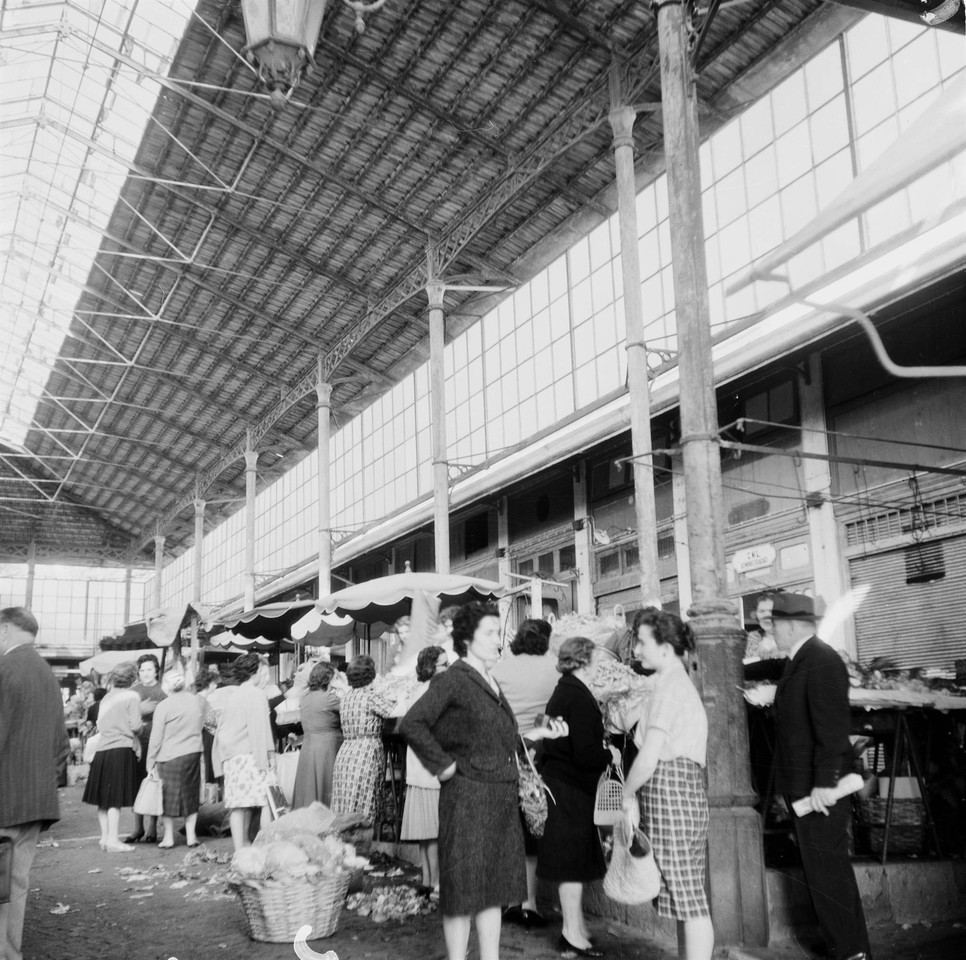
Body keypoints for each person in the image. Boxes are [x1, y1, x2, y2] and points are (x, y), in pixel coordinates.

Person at [399, 602, 567, 960]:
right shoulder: (453, 679)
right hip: (468, 799)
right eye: (489, 633)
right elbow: (412, 723)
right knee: (463, 894)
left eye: (498, 633)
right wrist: (443, 766)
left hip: (501, 799)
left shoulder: (491, 680)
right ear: (466, 638)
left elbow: (500, 737)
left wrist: (538, 733)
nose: (498, 640)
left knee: (493, 890)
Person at [745, 593, 871, 960]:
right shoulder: (802, 658)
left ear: (791, 625)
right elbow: (769, 671)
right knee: (822, 871)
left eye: (775, 625)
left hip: (821, 789)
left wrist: (825, 783)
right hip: (807, 787)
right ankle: (844, 944)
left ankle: (851, 952)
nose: (772, 631)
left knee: (829, 873)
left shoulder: (820, 661)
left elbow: (832, 731)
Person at [621, 608, 713, 960]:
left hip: (672, 792)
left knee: (688, 896)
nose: (636, 651)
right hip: (674, 793)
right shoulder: (668, 682)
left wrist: (626, 795)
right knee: (680, 893)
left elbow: (650, 757)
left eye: (642, 642)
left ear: (665, 645)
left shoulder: (671, 686)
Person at [537, 635, 620, 958]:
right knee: (572, 866)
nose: (599, 666)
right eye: (596, 660)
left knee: (570, 865)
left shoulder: (563, 690)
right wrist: (610, 754)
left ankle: (575, 928)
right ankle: (572, 934)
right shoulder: (578, 697)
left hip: (560, 786)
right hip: (570, 789)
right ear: (584, 661)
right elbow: (585, 755)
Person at [0, 608, 70, 960]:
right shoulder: (47, 674)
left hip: (4, 798)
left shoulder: (3, 670)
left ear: (5, 630)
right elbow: (62, 745)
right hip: (36, 800)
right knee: (15, 884)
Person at [491, 618, 559, 928]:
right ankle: (529, 903)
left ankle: (507, 901)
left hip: (503, 752)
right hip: (538, 754)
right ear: (546, 640)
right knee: (533, 826)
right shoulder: (554, 667)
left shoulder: (500, 667)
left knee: (508, 826)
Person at [212, 653, 276, 852]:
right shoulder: (257, 694)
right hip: (251, 755)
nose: (264, 676)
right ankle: (266, 847)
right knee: (268, 800)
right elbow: (260, 729)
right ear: (255, 671)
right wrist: (268, 757)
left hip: (232, 757)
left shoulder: (234, 694)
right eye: (262, 672)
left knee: (238, 806)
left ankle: (241, 849)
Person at [398, 644, 447, 893]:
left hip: (417, 769)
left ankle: (427, 880)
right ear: (431, 667)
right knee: (435, 831)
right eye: (444, 665)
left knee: (424, 831)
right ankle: (436, 883)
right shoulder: (435, 693)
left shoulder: (415, 690)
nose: (448, 669)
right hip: (433, 769)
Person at [81, 661, 143, 853]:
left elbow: (100, 723)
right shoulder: (132, 696)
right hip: (121, 748)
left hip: (102, 750)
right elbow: (135, 726)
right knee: (115, 798)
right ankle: (114, 840)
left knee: (103, 799)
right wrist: (141, 727)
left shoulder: (107, 698)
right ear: (132, 679)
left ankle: (105, 838)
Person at [147, 674, 207, 849]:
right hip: (193, 752)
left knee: (168, 797)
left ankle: (168, 837)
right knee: (191, 793)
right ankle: (191, 836)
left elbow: (156, 738)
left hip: (168, 755)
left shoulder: (163, 706)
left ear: (166, 687)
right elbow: (210, 721)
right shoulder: (198, 701)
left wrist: (150, 761)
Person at [330, 655, 392, 826]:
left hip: (346, 752)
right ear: (371, 674)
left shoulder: (346, 698)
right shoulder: (370, 697)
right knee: (364, 805)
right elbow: (394, 711)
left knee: (345, 804)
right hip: (366, 752)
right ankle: (363, 850)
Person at [126, 654, 166, 844]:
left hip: (158, 742)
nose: (145, 673)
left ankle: (152, 827)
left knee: (154, 782)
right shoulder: (133, 691)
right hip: (136, 743)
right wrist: (141, 709)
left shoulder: (163, 690)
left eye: (149, 669)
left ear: (156, 670)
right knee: (136, 783)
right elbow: (125, 714)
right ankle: (137, 826)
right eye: (142, 670)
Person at [292, 660, 343, 808]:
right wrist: (344, 686)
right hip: (327, 748)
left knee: (309, 789)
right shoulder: (329, 698)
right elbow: (352, 704)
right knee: (326, 787)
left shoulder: (305, 697)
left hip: (308, 747)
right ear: (328, 678)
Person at [744, 592, 782, 661]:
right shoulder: (749, 640)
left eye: (772, 611)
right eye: (761, 611)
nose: (766, 616)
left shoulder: (795, 640)